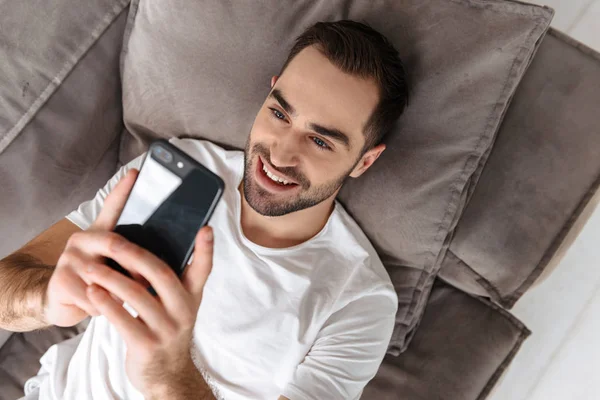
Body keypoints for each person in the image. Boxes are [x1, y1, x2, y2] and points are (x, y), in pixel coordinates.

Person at [0, 19, 409, 400]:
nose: (281, 153)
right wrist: (46, 298)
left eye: (320, 142)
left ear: (364, 161)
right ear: (269, 92)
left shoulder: (358, 302)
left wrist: (169, 375)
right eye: (280, 113)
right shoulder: (177, 170)